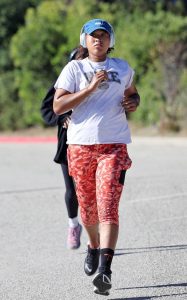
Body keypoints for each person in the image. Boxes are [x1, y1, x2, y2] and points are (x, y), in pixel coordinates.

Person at [53, 19, 140, 295]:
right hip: (80, 147)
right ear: (85, 40)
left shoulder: (122, 68)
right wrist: (89, 89)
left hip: (113, 146)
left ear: (110, 40)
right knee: (88, 210)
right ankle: (92, 246)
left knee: (108, 205)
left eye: (103, 36)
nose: (98, 40)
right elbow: (57, 106)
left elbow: (133, 94)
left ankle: (105, 270)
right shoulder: (74, 68)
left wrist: (133, 102)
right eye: (93, 36)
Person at [40, 47, 88, 249]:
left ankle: (95, 238)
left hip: (94, 141)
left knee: (91, 190)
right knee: (72, 190)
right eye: (79, 60)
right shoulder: (65, 80)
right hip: (67, 143)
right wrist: (62, 118)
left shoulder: (99, 80)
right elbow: (46, 109)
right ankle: (73, 225)